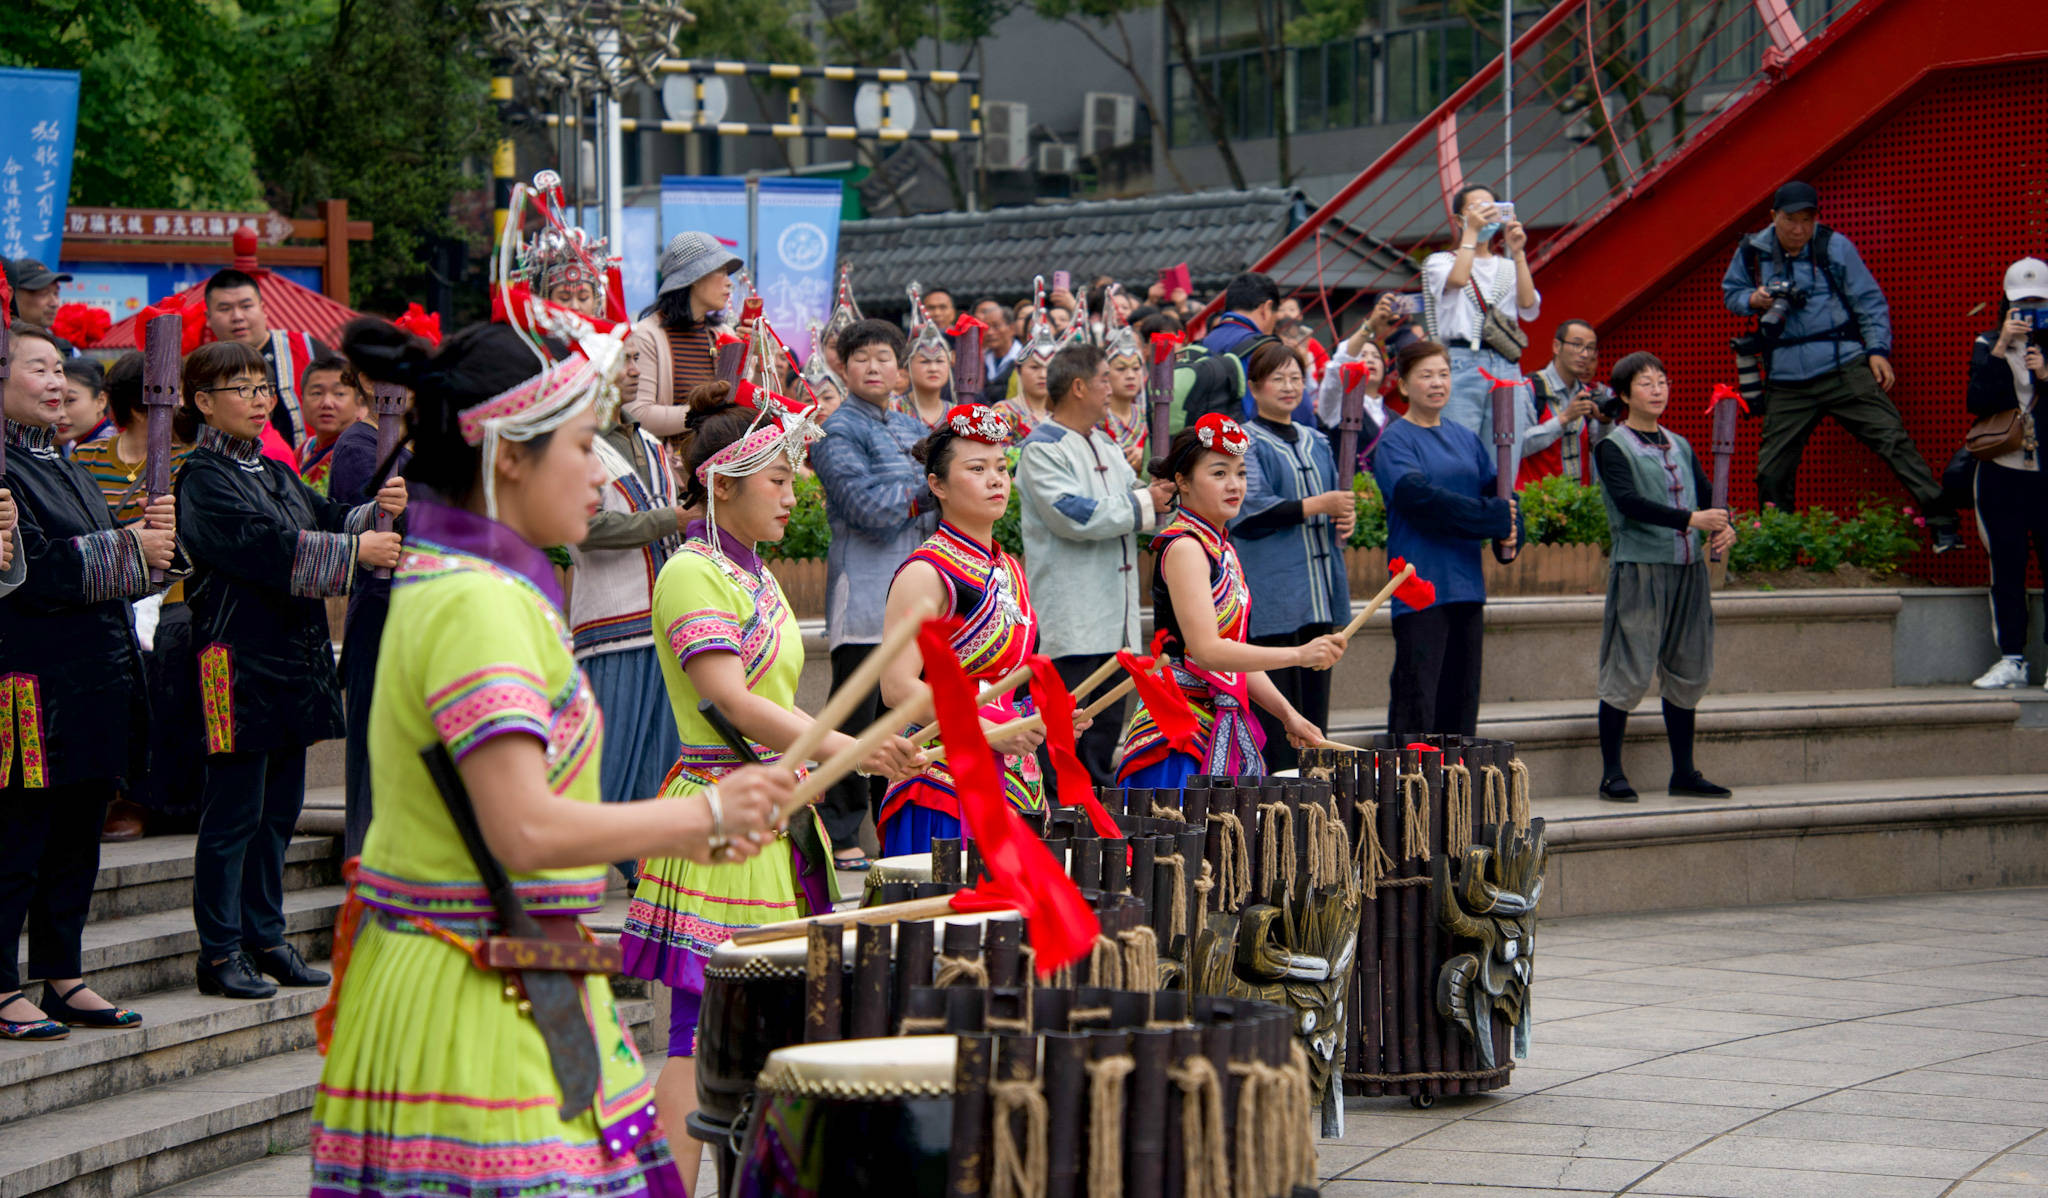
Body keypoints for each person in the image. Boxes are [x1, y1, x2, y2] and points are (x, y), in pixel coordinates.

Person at [313, 310, 789, 1198]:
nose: (601, 476)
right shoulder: (476, 603)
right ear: (507, 458)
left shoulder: (471, 583)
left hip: (498, 960)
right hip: (476, 982)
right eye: (581, 447)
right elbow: (523, 830)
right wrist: (706, 816)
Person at [621, 378, 920, 1167]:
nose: (795, 496)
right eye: (779, 481)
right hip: (719, 810)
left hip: (777, 814)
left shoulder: (755, 574)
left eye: (794, 480)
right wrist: (844, 748)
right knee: (697, 1036)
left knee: (772, 1030)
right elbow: (732, 701)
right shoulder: (692, 571)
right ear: (722, 483)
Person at [176, 340, 407, 999]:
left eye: (261, 387)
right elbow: (265, 548)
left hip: (285, 660)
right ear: (201, 402)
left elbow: (327, 517)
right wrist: (356, 548)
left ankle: (266, 937)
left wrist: (376, 509)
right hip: (229, 665)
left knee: (278, 811)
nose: (257, 399)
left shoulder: (271, 472)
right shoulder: (202, 479)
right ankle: (220, 951)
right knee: (232, 814)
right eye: (240, 389)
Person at [0, 323, 175, 1041]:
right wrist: (134, 546)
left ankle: (63, 973)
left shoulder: (65, 460)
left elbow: (105, 555)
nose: (54, 383)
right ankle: (4, 986)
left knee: (77, 834)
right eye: (36, 368)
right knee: (18, 836)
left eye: (59, 371)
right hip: (30, 682)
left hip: (94, 678)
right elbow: (35, 571)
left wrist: (150, 536)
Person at [1722, 180, 1958, 549]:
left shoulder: (1833, 246)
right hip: (1785, 377)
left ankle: (1944, 522)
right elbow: (1730, 293)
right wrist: (1753, 299)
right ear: (1773, 217)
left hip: (1843, 365)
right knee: (1771, 469)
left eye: (1807, 220)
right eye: (1790, 220)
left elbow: (1869, 301)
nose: (1799, 229)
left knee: (1893, 440)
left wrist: (1878, 350)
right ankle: (1777, 546)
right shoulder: (1751, 250)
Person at [1118, 415, 1338, 786]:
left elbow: (1233, 652)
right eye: (1219, 474)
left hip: (1215, 720)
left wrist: (1287, 715)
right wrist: (1299, 655)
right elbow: (1208, 652)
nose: (1234, 485)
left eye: (1240, 473)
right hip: (1177, 728)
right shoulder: (1185, 546)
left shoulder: (1221, 549)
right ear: (1183, 482)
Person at [878, 404, 1048, 852]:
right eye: (977, 468)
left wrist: (1044, 717)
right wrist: (989, 725)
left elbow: (1014, 679)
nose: (996, 479)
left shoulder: (1008, 567)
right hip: (945, 780)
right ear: (938, 485)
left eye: (1001, 467)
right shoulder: (926, 573)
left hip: (1016, 778)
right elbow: (896, 688)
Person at [809, 318, 938, 870]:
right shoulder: (836, 431)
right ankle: (840, 831)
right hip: (864, 593)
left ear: (900, 368)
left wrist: (931, 487)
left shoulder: (912, 429)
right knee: (853, 716)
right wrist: (929, 485)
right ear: (843, 366)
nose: (872, 367)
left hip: (920, 594)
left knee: (908, 717)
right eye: (860, 358)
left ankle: (895, 824)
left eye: (883, 357)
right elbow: (871, 511)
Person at [1018, 344, 1172, 786]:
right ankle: (1062, 822)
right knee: (1064, 736)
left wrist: (1164, 493)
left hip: (1116, 619)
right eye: (1105, 378)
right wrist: (1146, 500)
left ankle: (1098, 824)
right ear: (1080, 386)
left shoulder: (1103, 441)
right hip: (1071, 621)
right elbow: (1072, 514)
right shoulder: (1041, 448)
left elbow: (1132, 503)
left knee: (1104, 734)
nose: (1113, 389)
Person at [1593, 352, 1735, 801]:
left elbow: (1711, 497)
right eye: (1646, 384)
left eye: (1662, 382)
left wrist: (1724, 525)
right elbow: (1630, 503)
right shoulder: (1612, 445)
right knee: (1628, 668)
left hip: (1689, 570)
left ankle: (1684, 772)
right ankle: (1612, 773)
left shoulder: (1680, 444)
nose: (1658, 390)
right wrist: (1694, 518)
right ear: (1624, 393)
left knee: (1688, 666)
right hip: (1640, 568)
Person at [567, 337, 685, 876]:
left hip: (659, 617)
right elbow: (584, 529)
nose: (636, 370)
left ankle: (642, 861)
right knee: (609, 752)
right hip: (612, 621)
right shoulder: (575, 440)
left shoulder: (653, 444)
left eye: (638, 358)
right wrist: (671, 521)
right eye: (624, 360)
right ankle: (572, 864)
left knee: (660, 751)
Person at [72, 352, 203, 839]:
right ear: (139, 404)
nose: (179, 405)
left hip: (174, 588)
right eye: (166, 396)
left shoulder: (191, 460)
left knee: (168, 647)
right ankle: (101, 787)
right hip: (108, 583)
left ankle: (143, 797)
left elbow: (191, 542)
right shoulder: (85, 459)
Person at [1372, 340, 1520, 738]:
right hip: (1419, 586)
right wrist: (1490, 517)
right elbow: (1421, 500)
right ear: (1403, 385)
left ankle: (1456, 795)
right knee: (1417, 698)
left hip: (1466, 585)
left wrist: (1509, 524)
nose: (1437, 383)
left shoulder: (1466, 438)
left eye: (1444, 374)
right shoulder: (1395, 441)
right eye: (1426, 375)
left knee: (1461, 700)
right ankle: (1405, 793)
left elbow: (1499, 492)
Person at [1234, 341, 1356, 772]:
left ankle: (1315, 795)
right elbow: (1249, 511)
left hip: (1318, 593)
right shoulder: (1244, 441)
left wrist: (1344, 515)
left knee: (1316, 716)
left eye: (1296, 378)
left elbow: (1334, 501)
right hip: (1274, 597)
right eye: (1277, 378)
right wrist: (1319, 505)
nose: (1289, 387)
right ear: (1254, 386)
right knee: (1278, 716)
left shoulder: (1316, 439)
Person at [325, 346, 410, 860]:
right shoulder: (360, 444)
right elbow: (360, 526)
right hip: (383, 609)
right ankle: (368, 866)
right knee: (378, 749)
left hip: (422, 612)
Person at [1967, 258, 2048, 690]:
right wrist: (2001, 348)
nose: (2030, 312)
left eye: (2038, 303)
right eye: (2022, 303)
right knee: (2007, 565)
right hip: (2002, 470)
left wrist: (2045, 373)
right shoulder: (1987, 342)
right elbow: (1977, 400)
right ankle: (2012, 658)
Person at [1422, 183, 1540, 440]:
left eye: (1489, 209)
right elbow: (1458, 279)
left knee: (1506, 449)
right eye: (1475, 209)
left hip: (1505, 363)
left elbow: (1529, 305)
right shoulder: (1440, 261)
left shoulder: (1507, 266)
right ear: (1458, 218)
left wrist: (1518, 253)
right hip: (1463, 360)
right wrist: (1470, 235)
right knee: (1461, 447)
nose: (1483, 215)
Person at [622, 232, 744, 445]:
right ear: (695, 277)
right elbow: (637, 413)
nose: (729, 283)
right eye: (721, 272)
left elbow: (741, 404)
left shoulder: (722, 334)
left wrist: (757, 359)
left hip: (720, 467)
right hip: (670, 471)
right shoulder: (646, 335)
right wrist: (708, 412)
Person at [203, 268, 328, 449]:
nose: (238, 317)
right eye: (225, 309)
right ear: (208, 318)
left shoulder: (305, 348)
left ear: (263, 309)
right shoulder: (204, 365)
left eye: (246, 306)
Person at [1522, 319, 1611, 486]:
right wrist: (1564, 419)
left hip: (1580, 505)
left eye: (1590, 348)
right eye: (1577, 345)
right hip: (1536, 505)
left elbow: (1602, 452)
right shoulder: (1528, 388)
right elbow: (1518, 447)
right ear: (1556, 346)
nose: (1585, 354)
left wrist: (1605, 423)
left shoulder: (1587, 393)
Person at [1314, 326, 1389, 475]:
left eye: (1376, 356)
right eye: (1363, 355)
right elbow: (1336, 371)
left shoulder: (1394, 418)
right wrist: (1370, 325)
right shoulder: (1337, 407)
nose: (1370, 359)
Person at [296, 356, 367, 496]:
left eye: (339, 394)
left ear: (359, 403)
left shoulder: (359, 452)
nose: (327, 403)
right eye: (317, 393)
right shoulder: (304, 449)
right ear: (302, 399)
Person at [1101, 321, 1150, 470]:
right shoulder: (1096, 418)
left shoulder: (1149, 416)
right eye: (1121, 369)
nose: (1130, 376)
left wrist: (1147, 456)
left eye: (1136, 368)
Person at [894, 307, 953, 430]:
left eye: (940, 361)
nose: (933, 368)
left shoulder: (957, 414)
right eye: (924, 361)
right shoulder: (892, 409)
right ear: (907, 367)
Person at [56, 357, 112, 451]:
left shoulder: (105, 450)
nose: (59, 413)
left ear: (100, 400)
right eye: (55, 402)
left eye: (70, 400)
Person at [975, 298, 1022, 399]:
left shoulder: (1024, 359)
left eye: (996, 326)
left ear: (1012, 328)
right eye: (986, 328)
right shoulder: (979, 360)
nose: (990, 332)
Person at [4, 257, 69, 328]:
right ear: (12, 295)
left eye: (56, 293)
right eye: (44, 293)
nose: (54, 304)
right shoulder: (4, 337)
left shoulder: (54, 338)